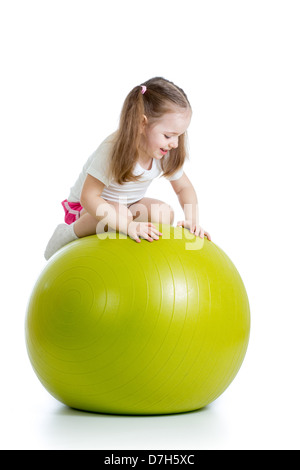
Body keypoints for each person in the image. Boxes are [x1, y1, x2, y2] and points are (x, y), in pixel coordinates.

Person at [44, 77, 211, 260]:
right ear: (142, 123)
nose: (174, 144)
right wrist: (127, 225)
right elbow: (89, 197)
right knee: (121, 215)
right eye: (169, 135)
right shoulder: (114, 149)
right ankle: (67, 234)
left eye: (179, 136)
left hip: (127, 205)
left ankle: (133, 258)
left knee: (163, 213)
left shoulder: (164, 152)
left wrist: (192, 221)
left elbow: (183, 188)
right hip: (87, 209)